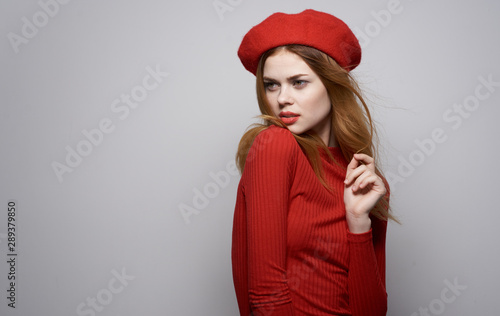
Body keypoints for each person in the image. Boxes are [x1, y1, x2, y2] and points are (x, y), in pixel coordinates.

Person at [231, 9, 397, 316]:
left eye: (298, 82)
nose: (282, 98)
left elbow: (371, 311)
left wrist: (358, 221)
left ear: (333, 85)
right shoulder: (275, 146)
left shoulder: (368, 184)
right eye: (272, 84)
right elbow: (265, 293)